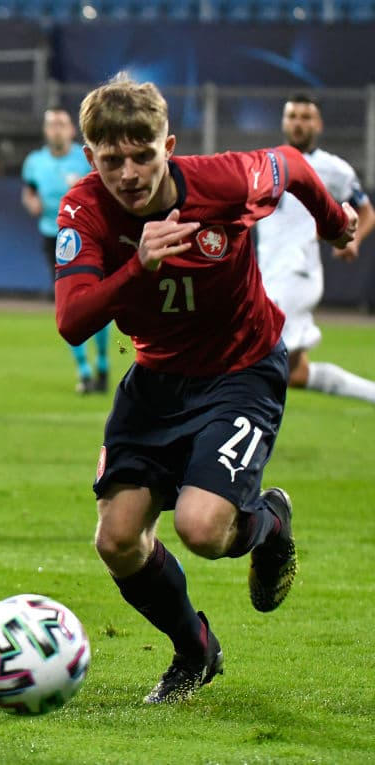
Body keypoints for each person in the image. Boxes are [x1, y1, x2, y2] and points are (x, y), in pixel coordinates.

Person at [55, 73, 356, 704]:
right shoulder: (84, 208)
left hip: (241, 371)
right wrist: (139, 267)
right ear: (89, 157)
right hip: (157, 381)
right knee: (117, 540)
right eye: (111, 161)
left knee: (201, 528)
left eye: (143, 155)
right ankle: (195, 651)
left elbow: (293, 165)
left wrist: (333, 224)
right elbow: (72, 320)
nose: (129, 174)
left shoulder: (225, 181)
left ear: (169, 146)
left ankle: (270, 523)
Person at [255, 93, 375, 404]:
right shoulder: (267, 161)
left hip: (297, 275)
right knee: (294, 373)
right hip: (267, 275)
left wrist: (353, 241)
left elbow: (367, 212)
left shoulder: (333, 169)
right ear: (284, 122)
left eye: (305, 117)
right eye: (292, 116)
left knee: (259, 364)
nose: (298, 123)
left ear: (318, 124)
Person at [21, 107, 109, 394]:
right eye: (51, 124)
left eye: (61, 124)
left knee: (99, 301)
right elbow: (29, 191)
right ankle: (84, 371)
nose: (56, 129)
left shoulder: (85, 159)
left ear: (72, 130)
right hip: (55, 236)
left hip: (89, 235)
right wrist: (31, 202)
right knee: (69, 306)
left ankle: (103, 363)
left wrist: (85, 190)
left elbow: (107, 188)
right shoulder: (34, 162)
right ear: (46, 131)